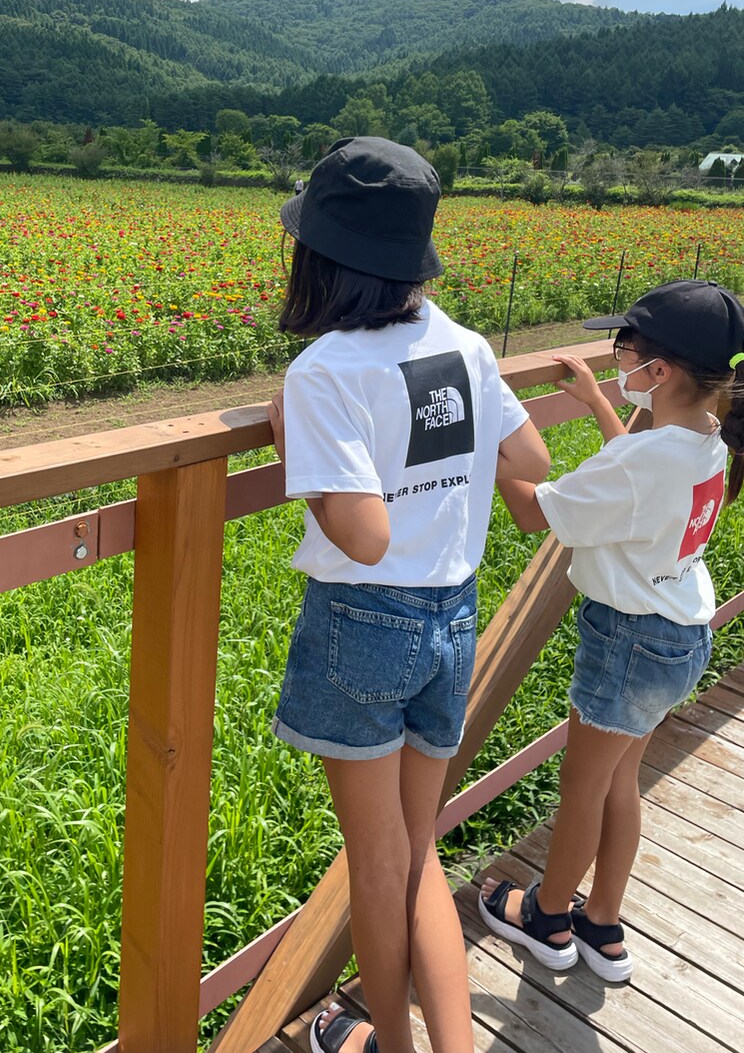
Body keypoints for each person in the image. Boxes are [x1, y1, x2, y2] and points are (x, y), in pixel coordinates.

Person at [265, 136, 550, 1053]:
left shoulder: (324, 372)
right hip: (452, 616)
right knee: (417, 848)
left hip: (364, 623)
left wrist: (295, 453)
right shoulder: (464, 343)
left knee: (380, 860)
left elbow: (365, 533)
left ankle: (390, 1040)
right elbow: (532, 461)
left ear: (326, 258)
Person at [480, 279, 744, 981]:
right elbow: (630, 483)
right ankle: (603, 922)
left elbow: (536, 510)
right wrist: (601, 400)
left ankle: (549, 918)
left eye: (623, 349)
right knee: (620, 779)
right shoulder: (710, 438)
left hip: (628, 640)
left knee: (583, 788)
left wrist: (491, 436)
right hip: (680, 633)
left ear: (659, 372)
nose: (615, 356)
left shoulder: (645, 458)